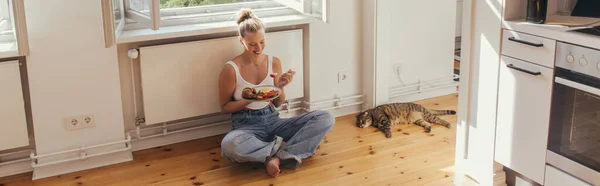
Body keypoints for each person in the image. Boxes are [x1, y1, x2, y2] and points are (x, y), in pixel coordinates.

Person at [218, 8, 335, 178]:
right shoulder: (231, 69)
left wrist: (280, 87)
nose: (258, 48)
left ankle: (274, 156)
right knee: (230, 145)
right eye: (252, 44)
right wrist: (249, 98)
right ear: (241, 40)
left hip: (273, 120)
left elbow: (278, 103)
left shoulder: (274, 62)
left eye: (262, 42)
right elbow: (225, 107)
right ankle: (284, 150)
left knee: (325, 118)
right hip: (246, 126)